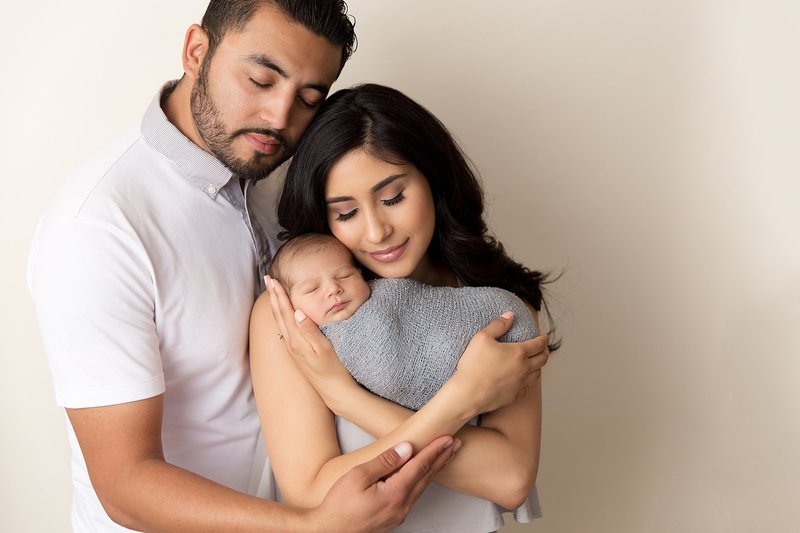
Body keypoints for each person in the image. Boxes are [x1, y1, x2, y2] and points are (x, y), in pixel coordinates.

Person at [27, 2, 476, 531]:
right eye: (261, 80)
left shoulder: (278, 175)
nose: (281, 119)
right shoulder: (97, 228)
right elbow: (124, 483)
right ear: (197, 51)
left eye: (310, 98)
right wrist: (312, 526)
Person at [250, 83, 555, 532]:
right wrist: (462, 398)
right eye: (346, 213)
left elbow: (510, 478)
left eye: (393, 198)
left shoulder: (495, 305)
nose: (376, 232)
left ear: (433, 179)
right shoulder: (300, 309)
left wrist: (345, 397)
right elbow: (314, 496)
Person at [268, 233, 538, 411]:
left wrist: (341, 395)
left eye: (345, 276)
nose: (333, 290)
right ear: (286, 304)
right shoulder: (294, 343)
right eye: (313, 289)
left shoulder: (387, 295)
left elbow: (512, 479)